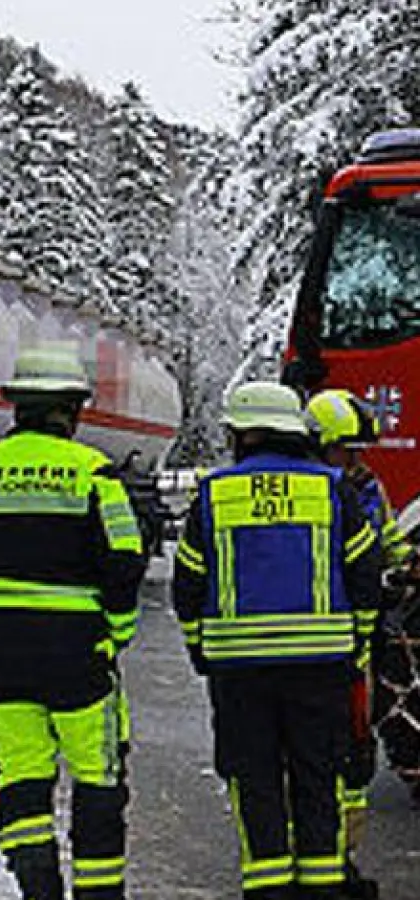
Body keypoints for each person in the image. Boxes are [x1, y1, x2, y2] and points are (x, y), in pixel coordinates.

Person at [0, 346, 146, 900]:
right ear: (70, 411)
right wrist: (116, 633)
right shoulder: (92, 473)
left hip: (1, 656)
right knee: (98, 779)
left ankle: (38, 891)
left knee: (22, 780)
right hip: (79, 657)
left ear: (16, 408)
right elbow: (124, 558)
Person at [174, 382, 382, 900]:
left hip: (239, 674)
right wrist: (357, 644)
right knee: (320, 777)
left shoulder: (215, 492)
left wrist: (202, 649)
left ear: (245, 433)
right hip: (322, 669)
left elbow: (188, 584)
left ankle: (268, 886)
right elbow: (365, 573)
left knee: (255, 780)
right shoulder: (334, 489)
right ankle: (322, 885)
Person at [306, 388, 418, 897]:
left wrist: (406, 567)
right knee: (318, 756)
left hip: (362, 638)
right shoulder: (312, 493)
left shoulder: (367, 488)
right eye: (344, 451)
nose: (355, 461)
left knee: (355, 758)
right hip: (325, 641)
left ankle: (338, 862)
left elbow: (390, 541)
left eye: (358, 451)